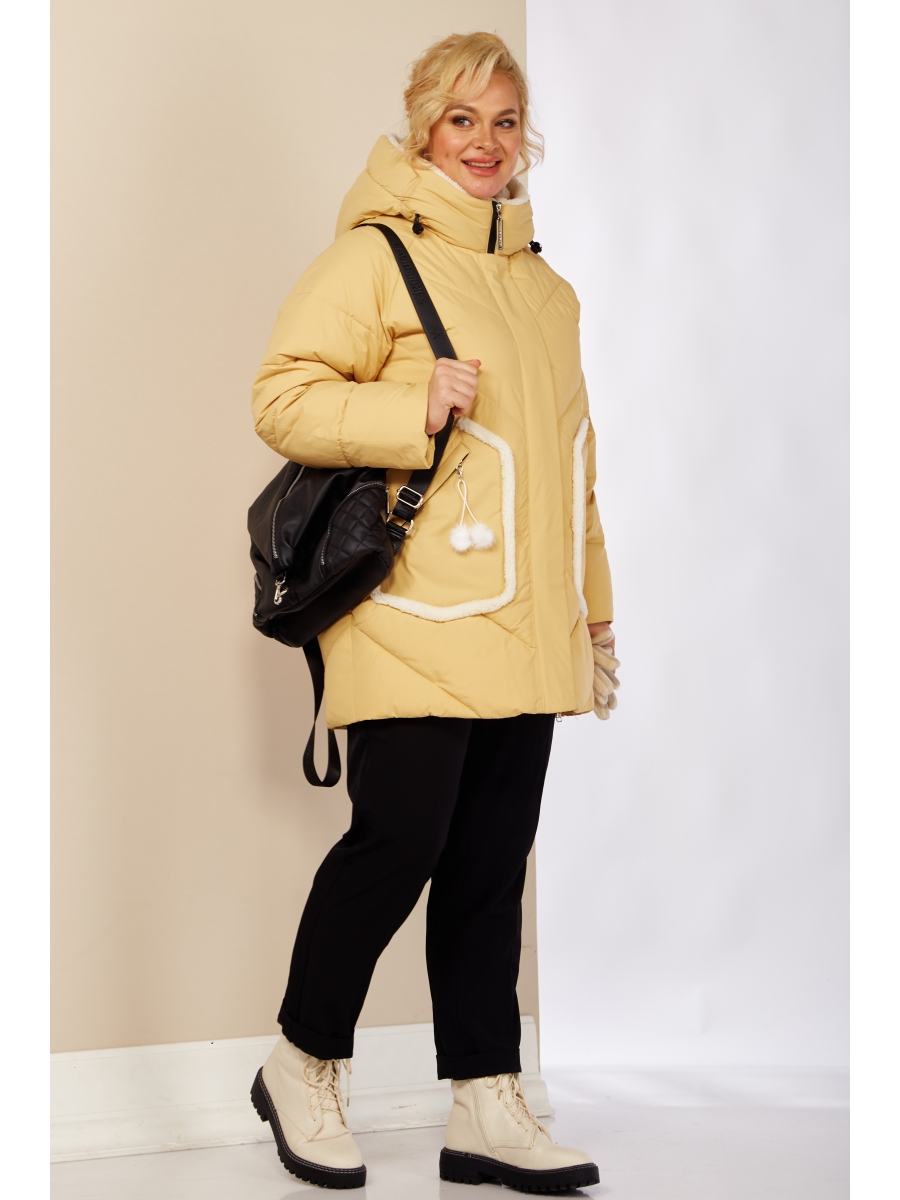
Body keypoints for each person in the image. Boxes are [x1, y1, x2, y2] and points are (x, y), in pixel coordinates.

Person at [249, 30, 618, 1193]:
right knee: (398, 840)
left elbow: (575, 470)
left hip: (527, 617)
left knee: (491, 861)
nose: (485, 142)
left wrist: (594, 615)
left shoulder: (547, 290)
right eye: (463, 119)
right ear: (422, 129)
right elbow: (282, 398)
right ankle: (303, 1061)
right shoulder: (373, 258)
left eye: (504, 121)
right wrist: (410, 400)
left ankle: (486, 1103)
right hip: (410, 609)